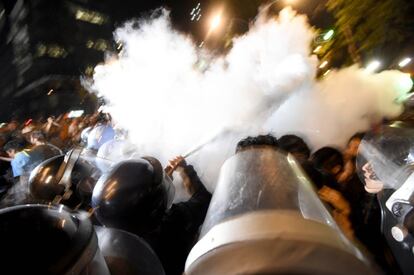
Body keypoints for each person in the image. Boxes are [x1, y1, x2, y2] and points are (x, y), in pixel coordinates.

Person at [92, 155, 212, 275]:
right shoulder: (172, 223)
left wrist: (159, 185)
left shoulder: (110, 246)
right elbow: (204, 199)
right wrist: (186, 170)